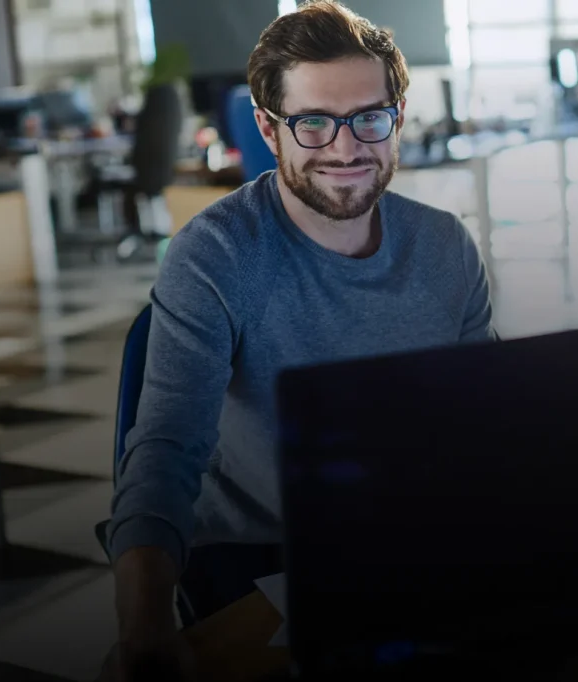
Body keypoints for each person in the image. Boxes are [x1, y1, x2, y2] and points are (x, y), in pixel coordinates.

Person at [99, 1, 496, 678]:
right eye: (312, 122)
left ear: (396, 117)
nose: (345, 148)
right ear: (269, 128)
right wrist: (144, 621)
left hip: (410, 545)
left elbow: (489, 421)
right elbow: (166, 449)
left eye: (368, 117)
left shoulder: (444, 246)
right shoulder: (216, 255)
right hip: (261, 563)